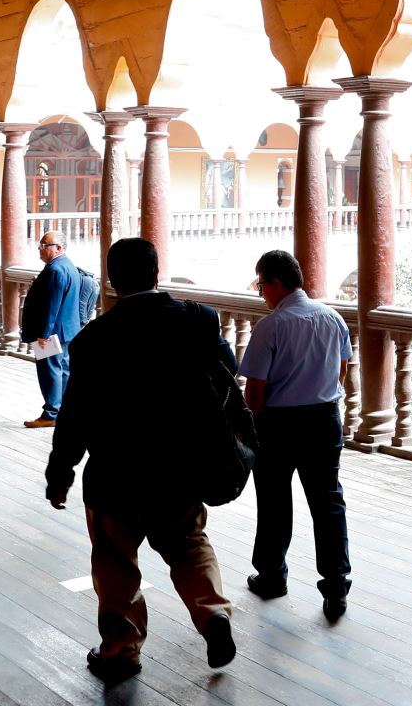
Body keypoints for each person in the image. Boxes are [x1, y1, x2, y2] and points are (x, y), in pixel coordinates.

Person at [45, 238, 238, 685]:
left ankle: (121, 651)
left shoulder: (93, 339)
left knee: (116, 562)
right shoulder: (198, 320)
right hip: (180, 467)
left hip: (116, 473)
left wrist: (60, 474)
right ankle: (212, 616)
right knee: (189, 546)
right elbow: (227, 374)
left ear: (112, 281)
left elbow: (75, 415)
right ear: (156, 272)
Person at [242, 249, 354, 621]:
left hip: (277, 424)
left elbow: (254, 392)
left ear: (275, 282)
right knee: (328, 502)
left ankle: (273, 576)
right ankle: (336, 587)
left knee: (274, 500)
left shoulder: (270, 327)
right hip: (324, 420)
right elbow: (340, 373)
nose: (261, 293)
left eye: (261, 285)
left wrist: (248, 430)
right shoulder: (332, 318)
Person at [19, 231, 83, 428]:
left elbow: (51, 306)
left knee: (50, 371)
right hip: (66, 330)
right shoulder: (67, 265)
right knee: (62, 370)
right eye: (40, 245)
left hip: (53, 332)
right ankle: (63, 410)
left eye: (45, 245)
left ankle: (51, 413)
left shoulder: (55, 270)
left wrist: (43, 335)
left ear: (58, 248)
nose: (40, 249)